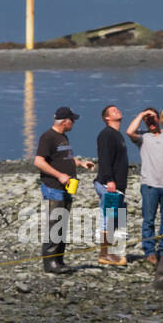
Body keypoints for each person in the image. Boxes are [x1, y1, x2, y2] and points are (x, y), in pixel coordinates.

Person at [33, 106, 94, 274]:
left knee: (62, 224)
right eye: (72, 120)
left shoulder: (62, 137)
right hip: (54, 187)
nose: (73, 123)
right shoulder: (48, 137)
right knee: (55, 224)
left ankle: (59, 260)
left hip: (66, 187)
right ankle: (50, 263)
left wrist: (80, 163)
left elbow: (64, 158)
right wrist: (59, 175)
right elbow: (38, 161)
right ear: (65, 121)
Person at [126, 106, 163, 264]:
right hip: (150, 185)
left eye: (153, 117)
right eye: (147, 119)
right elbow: (129, 132)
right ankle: (150, 251)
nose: (151, 121)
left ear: (159, 119)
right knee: (149, 220)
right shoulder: (143, 137)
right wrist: (142, 114)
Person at [94, 105, 129, 266]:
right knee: (107, 219)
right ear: (107, 118)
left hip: (118, 186)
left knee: (114, 220)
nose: (117, 110)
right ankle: (104, 254)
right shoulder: (106, 134)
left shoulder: (117, 135)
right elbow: (104, 158)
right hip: (109, 185)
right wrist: (109, 180)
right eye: (113, 110)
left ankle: (110, 252)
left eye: (117, 109)